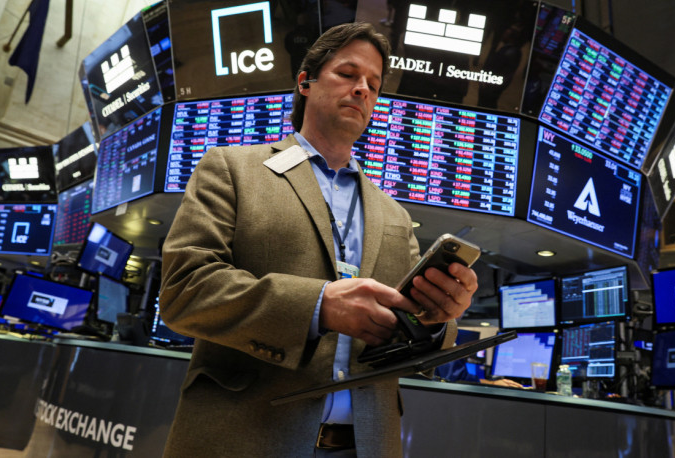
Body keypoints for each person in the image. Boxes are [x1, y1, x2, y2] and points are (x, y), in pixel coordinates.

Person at [159, 22, 477, 457]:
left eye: (373, 83)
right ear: (304, 83)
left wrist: (438, 318)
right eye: (347, 74)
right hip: (247, 435)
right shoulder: (233, 170)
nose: (362, 89)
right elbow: (184, 291)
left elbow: (410, 342)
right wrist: (319, 305)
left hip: (365, 445)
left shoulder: (395, 216)